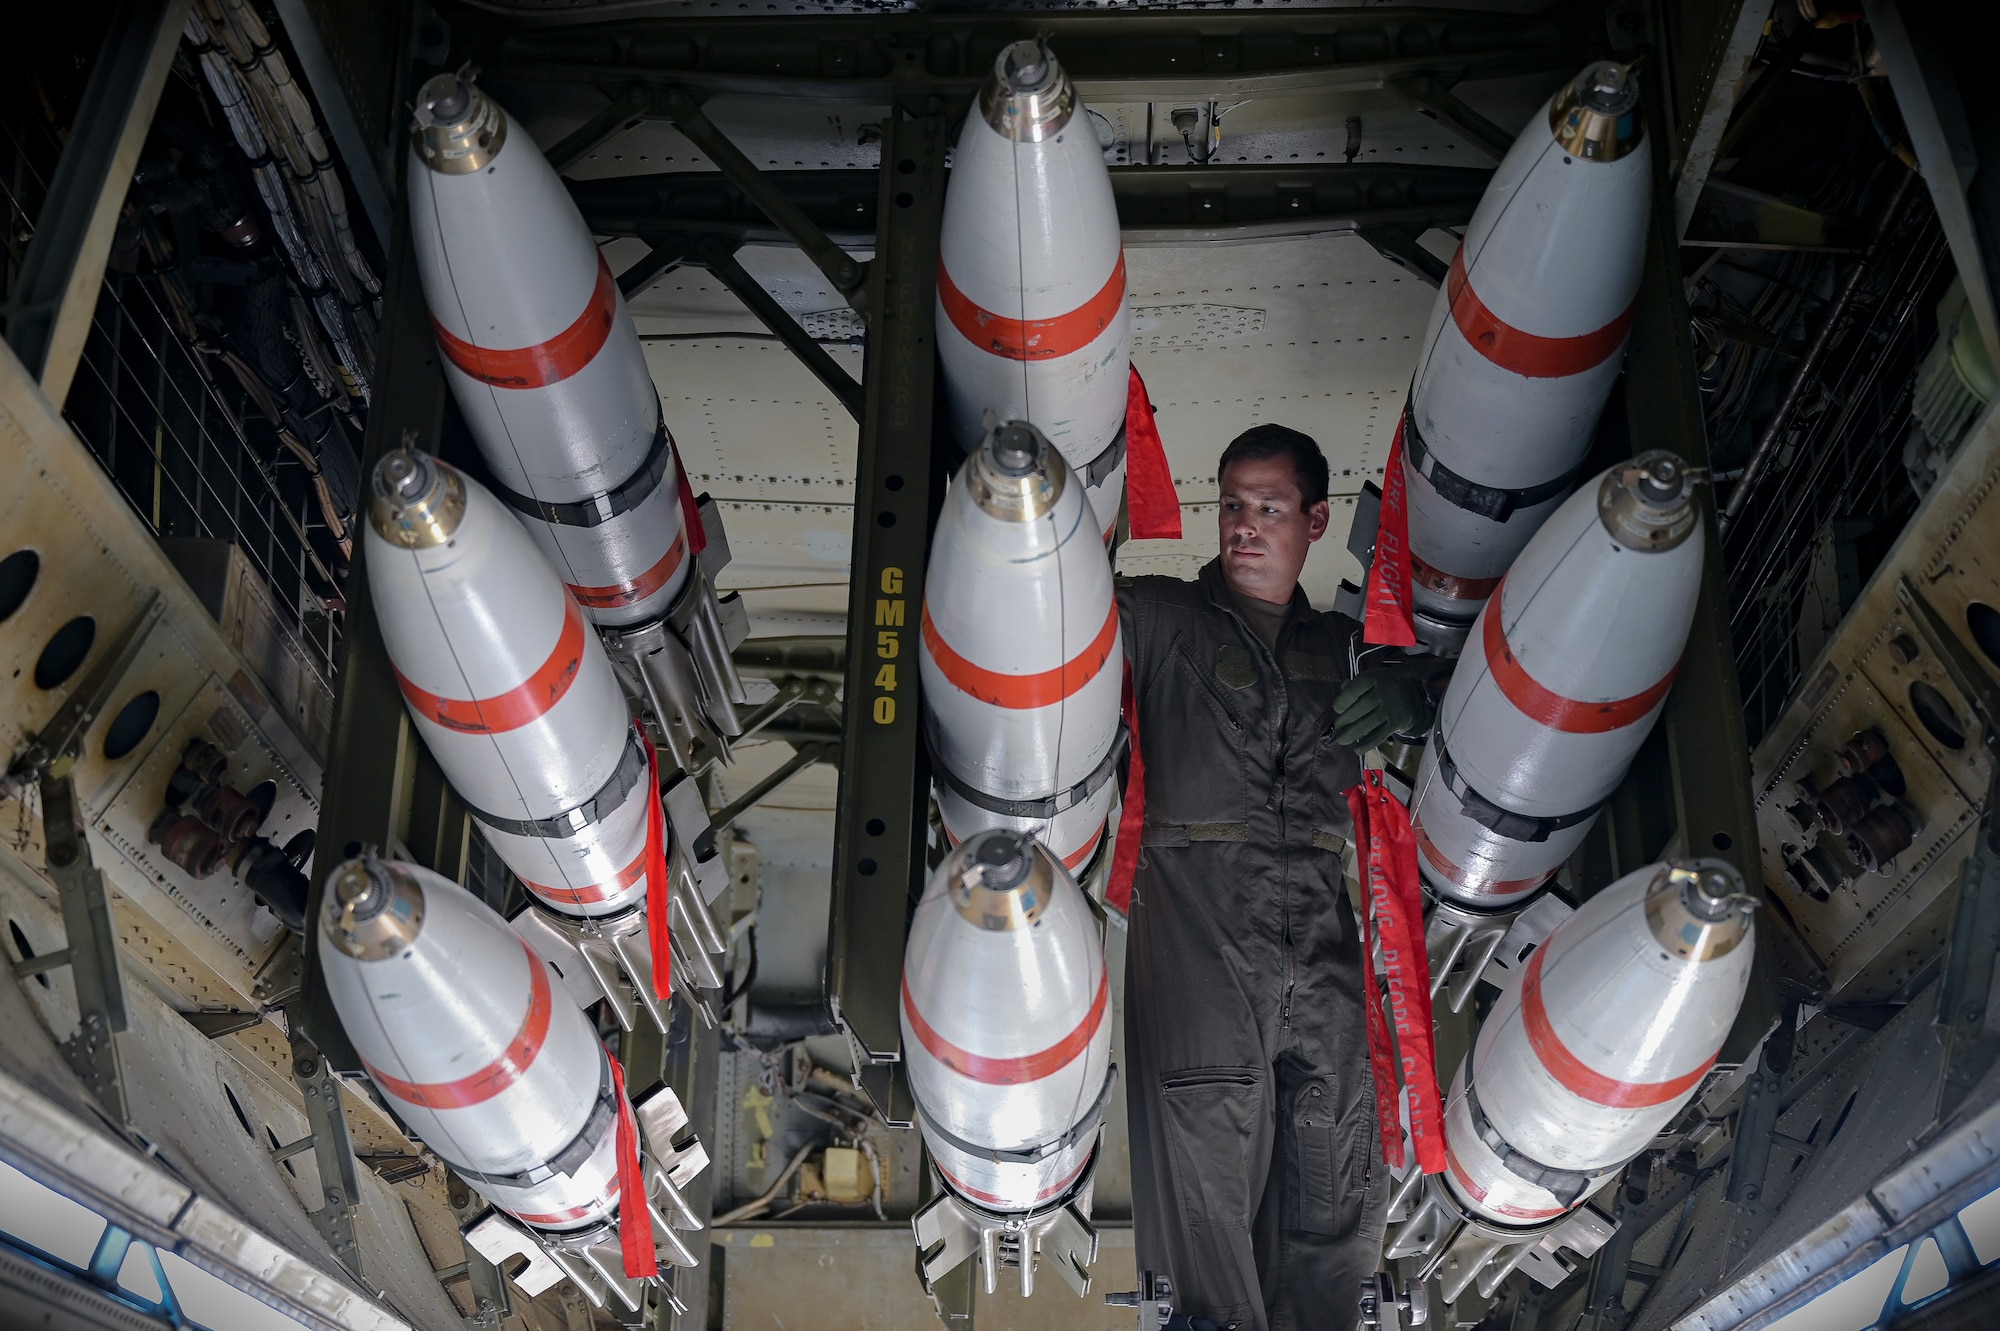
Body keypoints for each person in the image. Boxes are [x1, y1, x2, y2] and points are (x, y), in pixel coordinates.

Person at [1117, 423, 1434, 1331]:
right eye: (1231, 506)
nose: (1243, 527)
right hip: (1198, 932)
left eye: (1267, 508)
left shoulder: (1344, 652)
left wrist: (1422, 693)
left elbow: (1459, 700)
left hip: (1320, 938)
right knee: (1208, 1176)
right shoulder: (1157, 619)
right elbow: (1056, 632)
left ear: (1315, 519)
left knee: (1340, 1169)